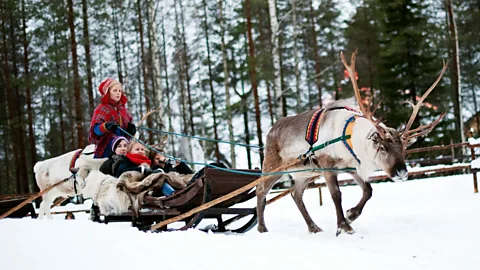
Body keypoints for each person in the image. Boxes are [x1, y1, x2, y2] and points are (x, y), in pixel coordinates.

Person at [88, 78, 137, 158]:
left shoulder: (124, 110)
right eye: (115, 91)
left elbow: (127, 134)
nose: (118, 93)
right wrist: (105, 126)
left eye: (119, 91)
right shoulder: (102, 108)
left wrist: (131, 131)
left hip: (124, 147)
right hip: (107, 147)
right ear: (108, 92)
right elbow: (95, 131)